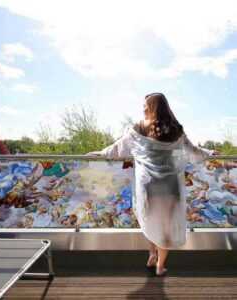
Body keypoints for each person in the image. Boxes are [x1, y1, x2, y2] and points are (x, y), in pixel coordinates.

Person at [86, 92, 218, 276]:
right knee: (166, 226)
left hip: (149, 186)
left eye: (145, 105)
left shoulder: (139, 127)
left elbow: (117, 149)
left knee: (151, 221)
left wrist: (100, 153)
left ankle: (151, 254)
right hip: (171, 186)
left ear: (150, 107)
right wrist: (210, 153)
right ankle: (160, 266)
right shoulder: (176, 129)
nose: (143, 107)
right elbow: (193, 151)